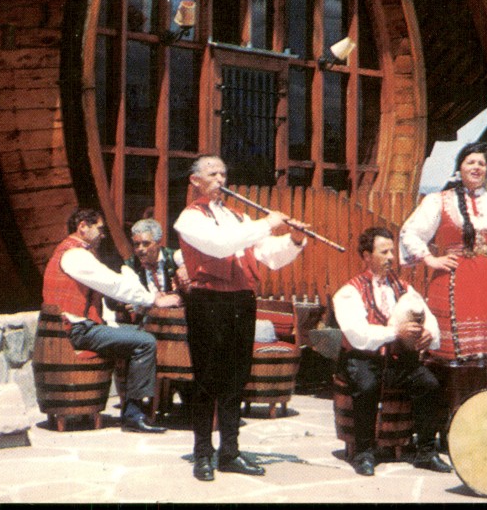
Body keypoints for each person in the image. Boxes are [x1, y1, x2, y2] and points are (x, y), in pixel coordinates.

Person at [173, 155, 306, 482]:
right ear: (196, 181)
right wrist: (265, 223)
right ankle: (203, 452)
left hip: (241, 300)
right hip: (209, 301)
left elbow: (268, 256)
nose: (221, 179)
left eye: (223, 172)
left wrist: (294, 239)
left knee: (235, 377)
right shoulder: (189, 218)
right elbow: (220, 246)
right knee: (207, 378)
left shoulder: (238, 216)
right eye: (213, 173)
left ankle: (229, 451)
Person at [332, 227, 454, 477]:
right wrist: (396, 333)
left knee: (429, 384)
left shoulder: (404, 287)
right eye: (383, 252)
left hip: (397, 362)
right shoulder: (349, 291)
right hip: (363, 359)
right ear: (366, 256)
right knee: (366, 386)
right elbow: (359, 335)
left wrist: (429, 334)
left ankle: (426, 451)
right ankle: (364, 452)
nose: (390, 257)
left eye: (392, 251)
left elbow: (428, 317)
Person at [41, 208, 167, 434]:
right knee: (145, 341)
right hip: (79, 331)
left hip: (74, 329)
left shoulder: (68, 252)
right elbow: (112, 285)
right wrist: (153, 299)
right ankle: (133, 415)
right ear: (83, 227)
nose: (103, 234)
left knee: (134, 333)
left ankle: (136, 407)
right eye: (99, 228)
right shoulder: (75, 255)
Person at [399, 141, 487, 362]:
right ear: (460, 167)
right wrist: (430, 259)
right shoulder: (438, 201)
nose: (476, 167)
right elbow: (410, 233)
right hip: (453, 282)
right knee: (452, 356)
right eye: (471, 162)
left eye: (481, 163)